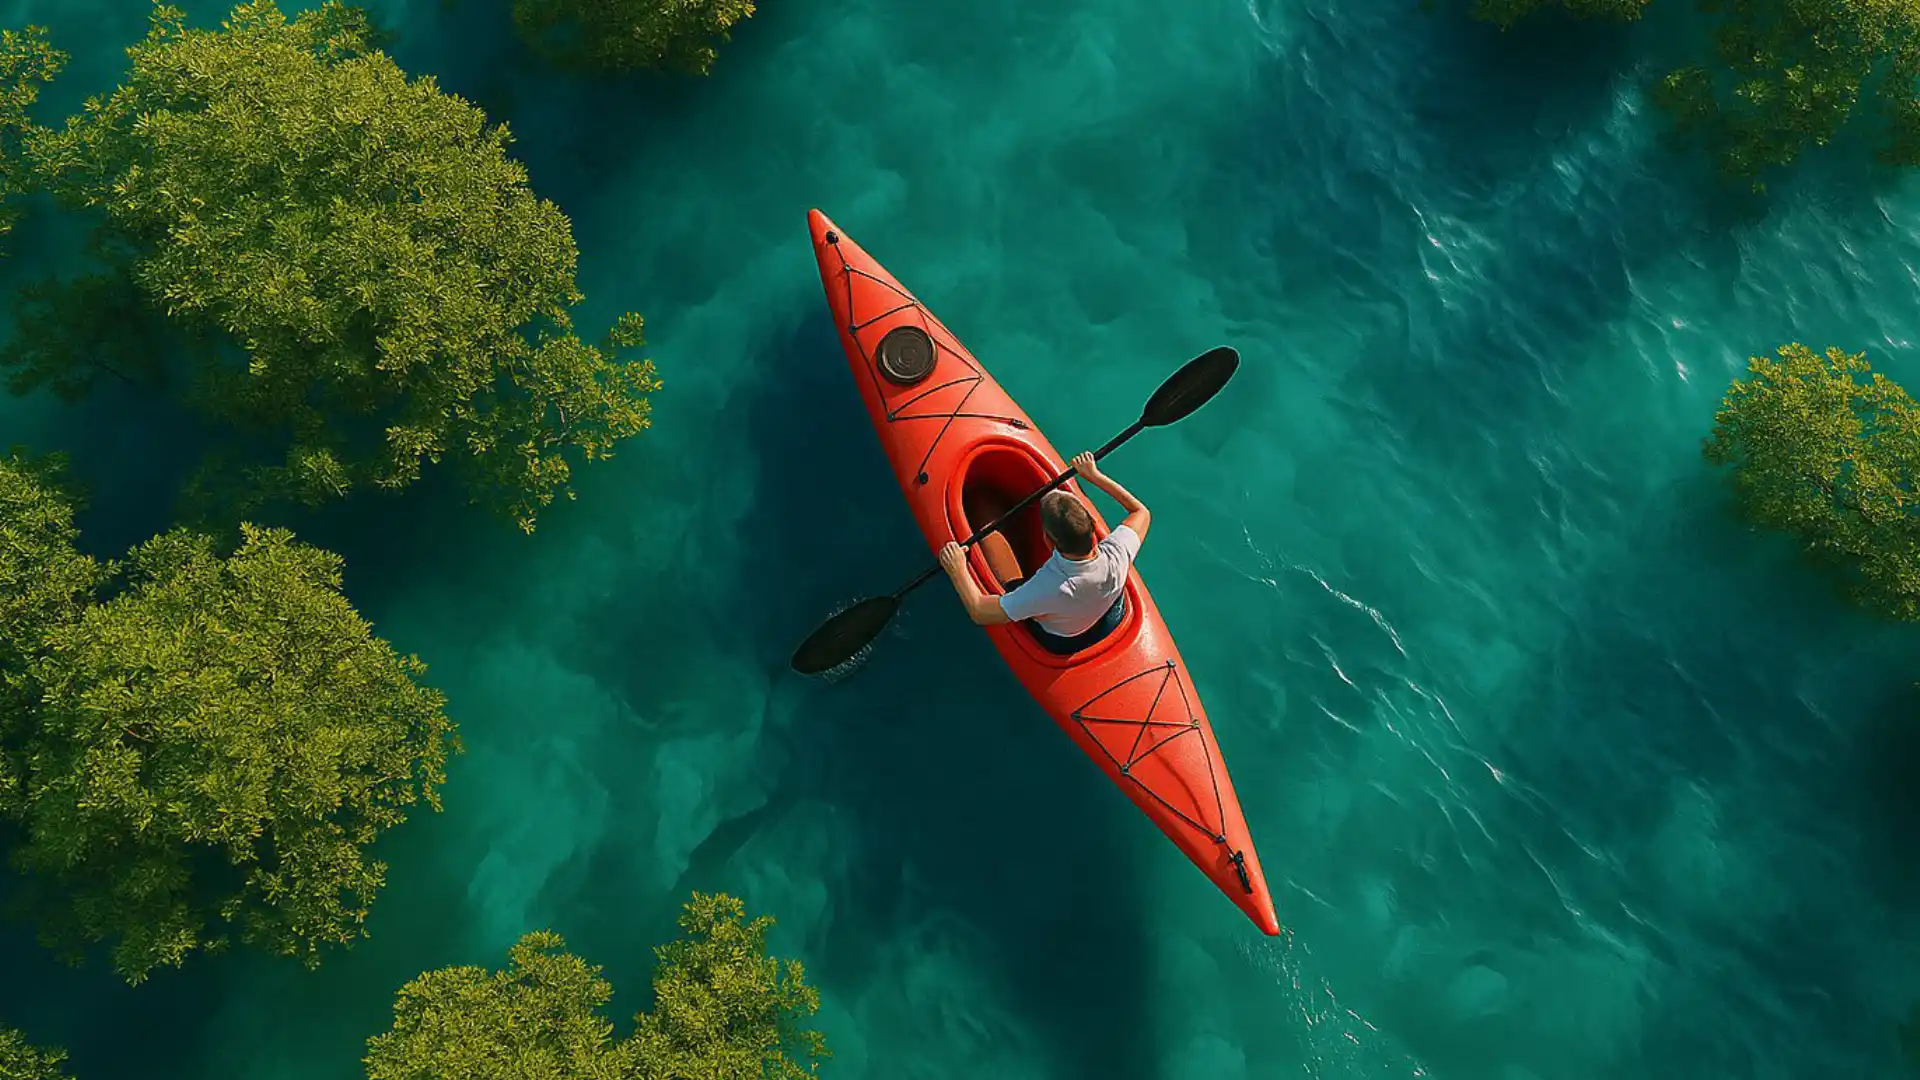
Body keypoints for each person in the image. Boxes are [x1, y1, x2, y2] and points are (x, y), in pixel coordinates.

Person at [936, 451, 1151, 654]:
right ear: (1093, 525)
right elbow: (1140, 511)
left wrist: (957, 570)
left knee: (983, 505)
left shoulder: (1047, 589)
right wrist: (1094, 475)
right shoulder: (1117, 553)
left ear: (1048, 541)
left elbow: (980, 611)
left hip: (1063, 639)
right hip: (1105, 620)